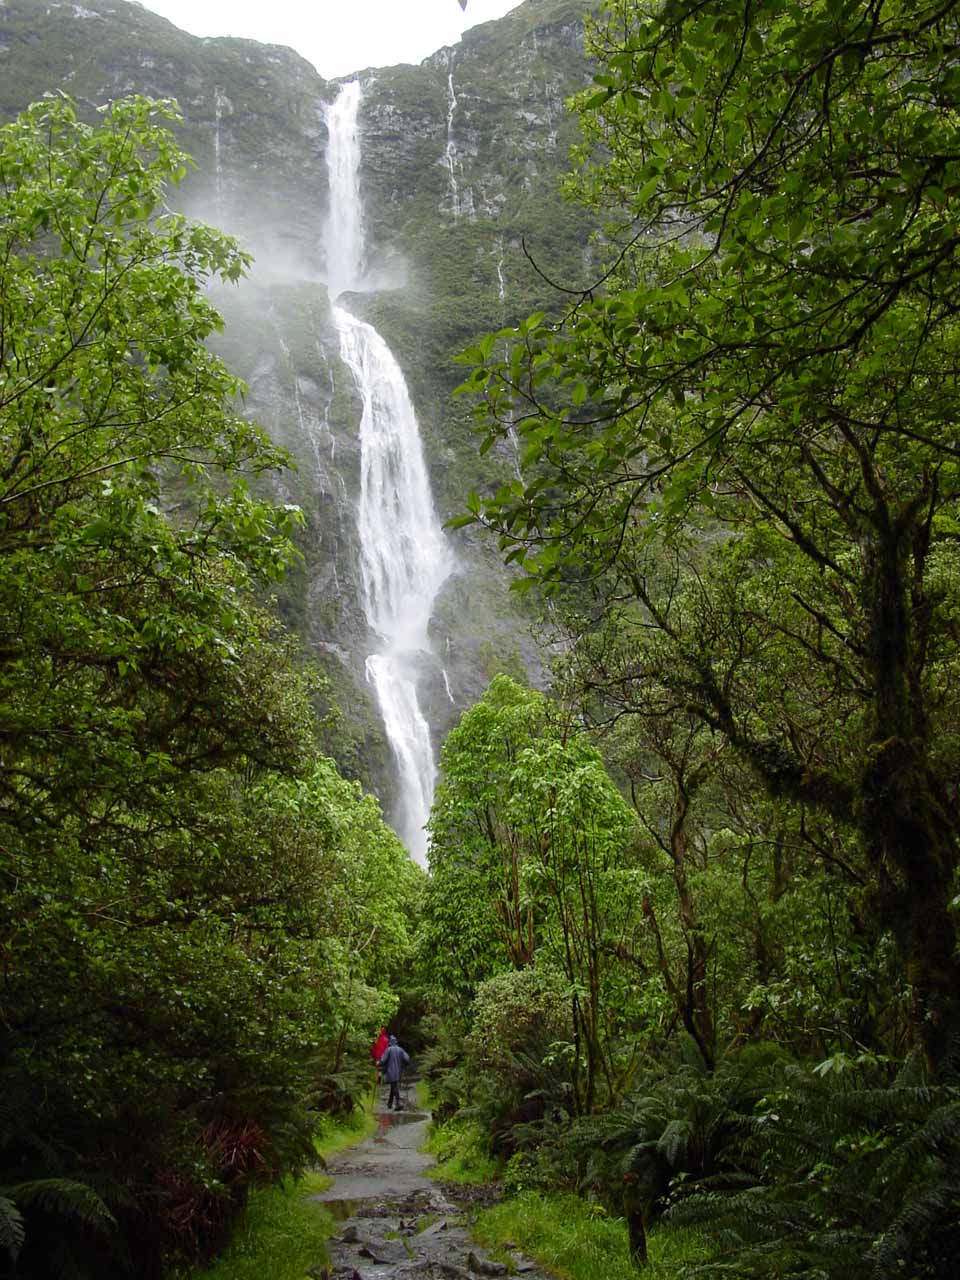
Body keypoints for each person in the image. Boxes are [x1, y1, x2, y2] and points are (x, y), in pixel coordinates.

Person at [378, 1034, 409, 1111]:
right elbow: (407, 1059)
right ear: (396, 1042)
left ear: (390, 1042)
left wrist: (379, 1063)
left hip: (390, 1071)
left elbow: (383, 1060)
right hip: (398, 1071)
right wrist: (403, 1064)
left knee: (394, 1087)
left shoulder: (388, 1050)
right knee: (393, 1086)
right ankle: (390, 1103)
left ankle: (397, 1103)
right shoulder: (400, 1049)